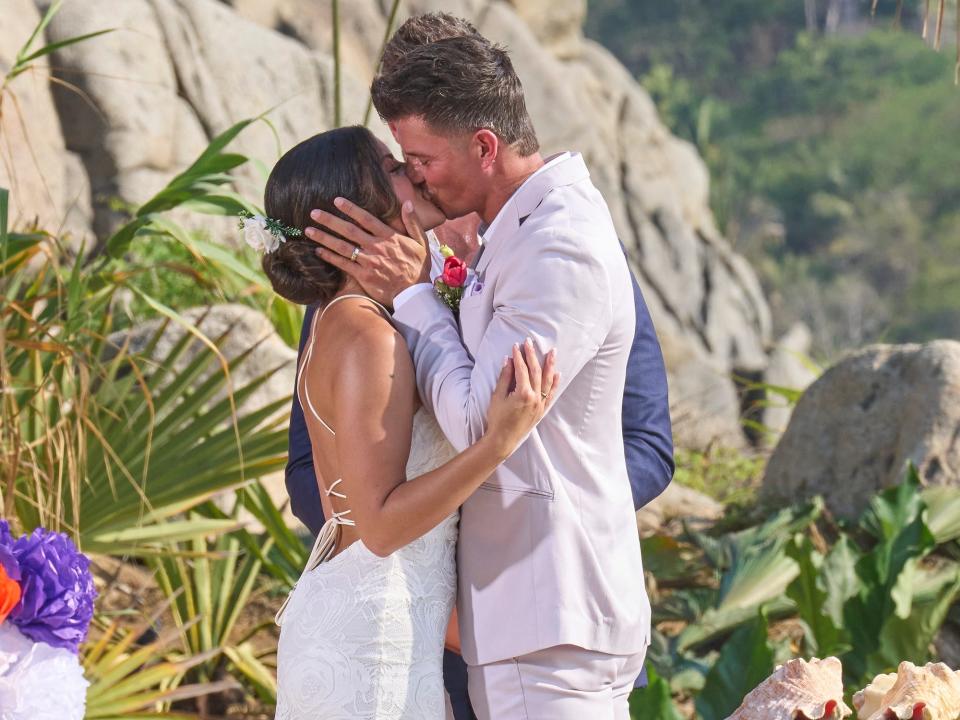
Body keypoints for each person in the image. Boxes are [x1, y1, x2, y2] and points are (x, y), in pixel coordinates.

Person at [285, 15, 674, 718]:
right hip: (406, 616)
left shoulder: (559, 247)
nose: (417, 178)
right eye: (401, 165)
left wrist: (416, 295)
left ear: (482, 143)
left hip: (541, 607)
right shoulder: (361, 309)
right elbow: (318, 473)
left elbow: (636, 440)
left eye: (417, 158)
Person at [261, 125, 559, 720]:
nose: (413, 172)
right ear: (359, 208)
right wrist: (496, 443)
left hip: (379, 623)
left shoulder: (343, 318)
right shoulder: (369, 336)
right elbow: (380, 525)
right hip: (370, 641)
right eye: (393, 167)